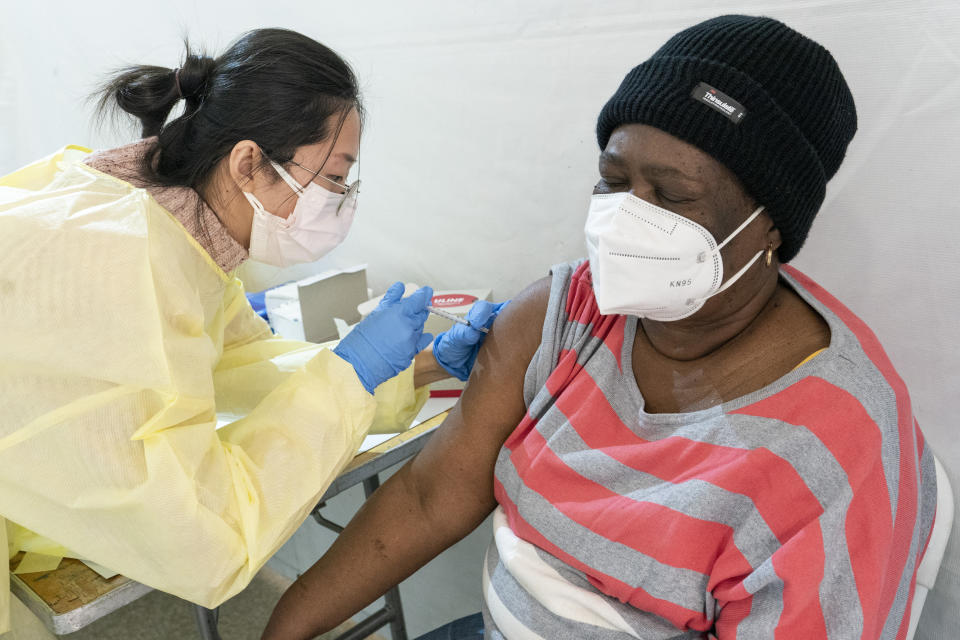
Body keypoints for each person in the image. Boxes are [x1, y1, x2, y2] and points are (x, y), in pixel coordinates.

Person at [261, 15, 938, 640]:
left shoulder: (832, 450)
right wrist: (281, 630)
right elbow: (430, 496)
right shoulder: (566, 313)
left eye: (671, 196)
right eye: (614, 180)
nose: (625, 219)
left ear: (768, 224)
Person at [0, 28, 502, 634]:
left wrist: (418, 366)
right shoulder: (126, 261)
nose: (343, 200)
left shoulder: (165, 229)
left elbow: (244, 364)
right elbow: (202, 540)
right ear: (247, 164)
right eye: (336, 177)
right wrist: (354, 373)